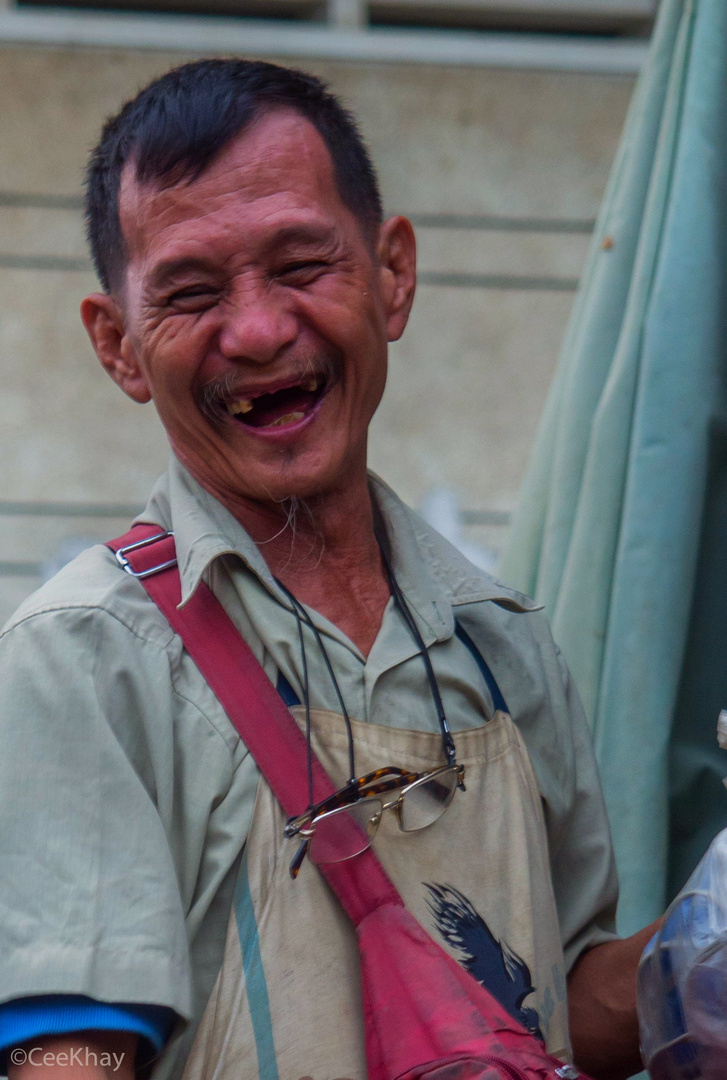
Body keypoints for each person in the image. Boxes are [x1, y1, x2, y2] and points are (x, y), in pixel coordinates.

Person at [0, 59, 656, 1080]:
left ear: (392, 273)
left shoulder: (502, 640)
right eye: (191, 291)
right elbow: (69, 1052)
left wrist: (689, 963)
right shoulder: (83, 656)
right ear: (118, 346)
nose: (258, 329)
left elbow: (558, 1005)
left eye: (302, 266)